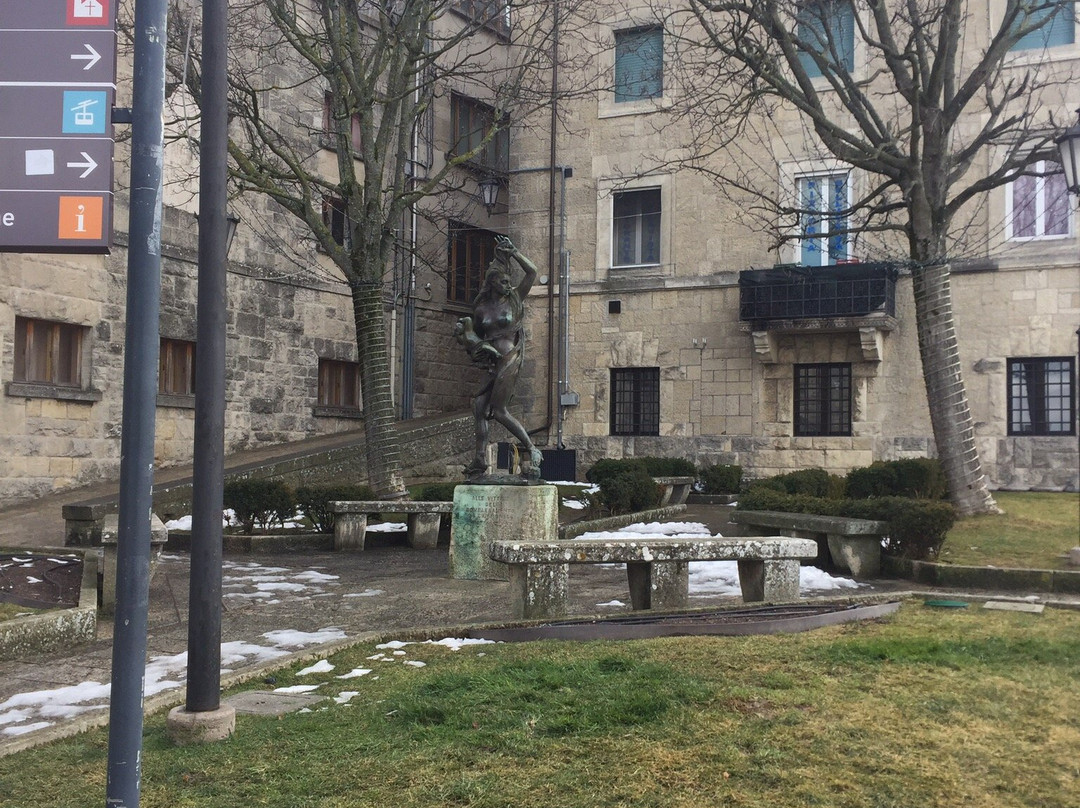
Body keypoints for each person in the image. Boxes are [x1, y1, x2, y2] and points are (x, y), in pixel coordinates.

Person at [455, 235, 543, 480]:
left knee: (500, 410)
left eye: (508, 281)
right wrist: (466, 335)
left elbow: (532, 272)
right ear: (492, 283)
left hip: (510, 358)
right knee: (479, 407)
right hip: (493, 362)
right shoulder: (481, 309)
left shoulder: (515, 299)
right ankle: (480, 459)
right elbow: (475, 338)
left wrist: (514, 252)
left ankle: (533, 450)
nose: (507, 284)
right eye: (503, 281)